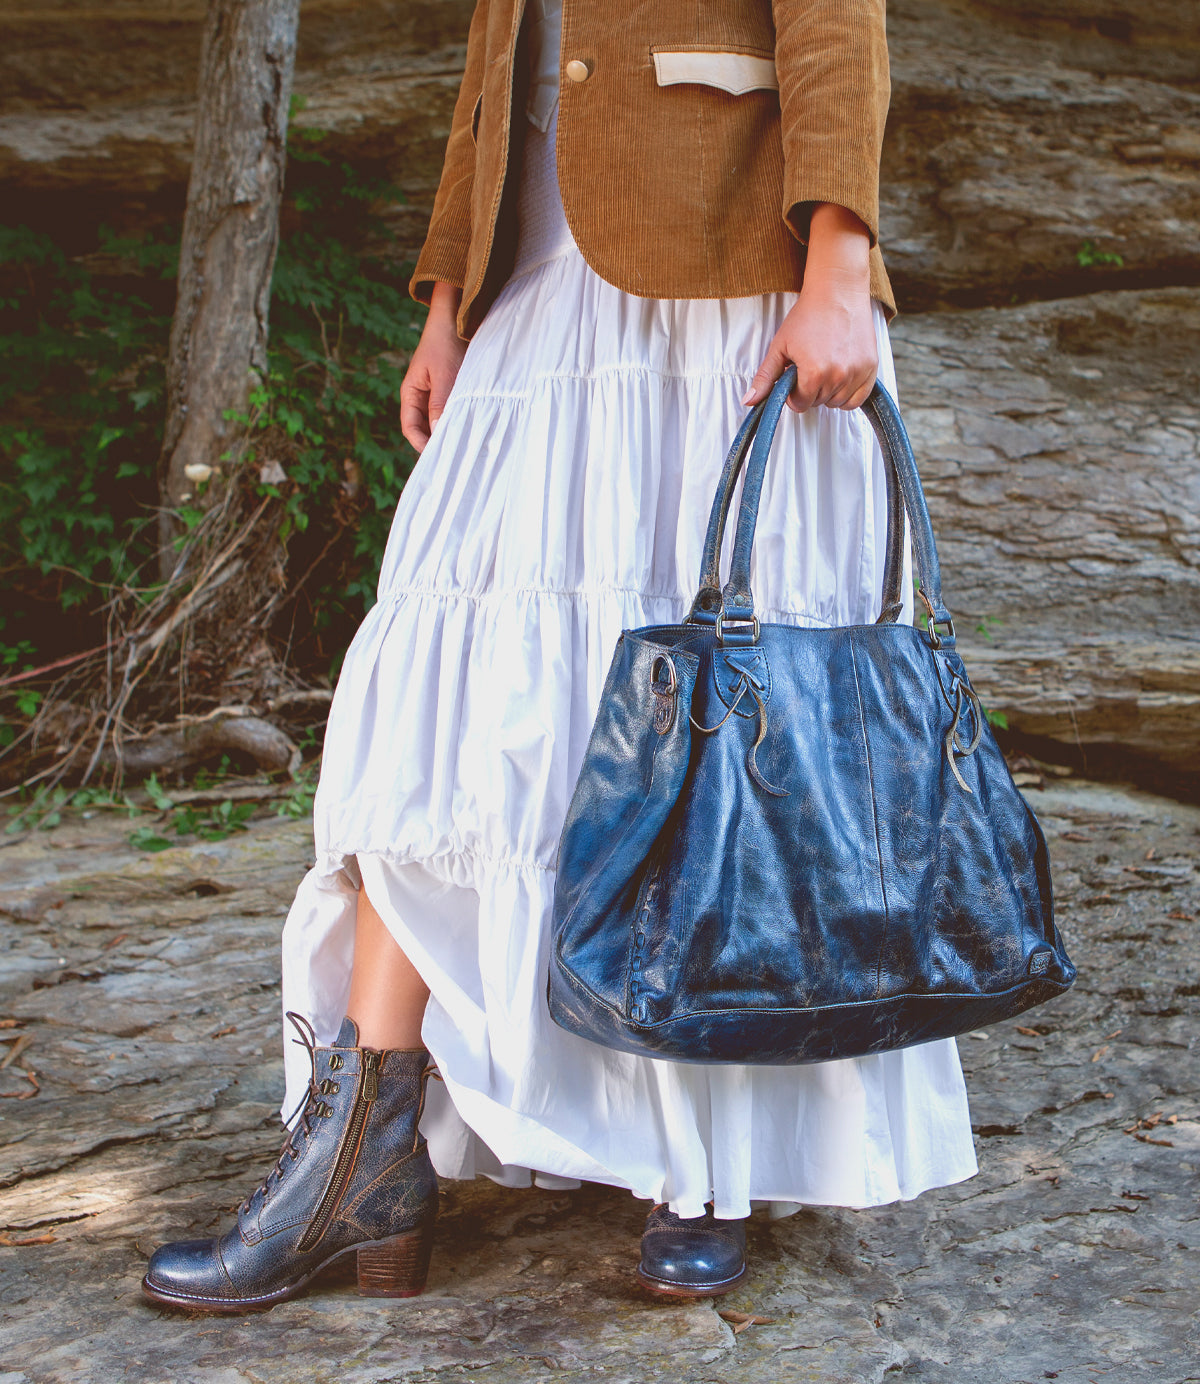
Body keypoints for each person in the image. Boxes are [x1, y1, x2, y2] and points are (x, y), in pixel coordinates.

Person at [141, 0, 978, 1312]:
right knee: (435, 695)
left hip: (722, 288)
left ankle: (703, 1165)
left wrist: (838, 261)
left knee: (718, 739)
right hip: (534, 293)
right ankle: (363, 1153)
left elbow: (835, 22)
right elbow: (505, 51)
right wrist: (451, 295)